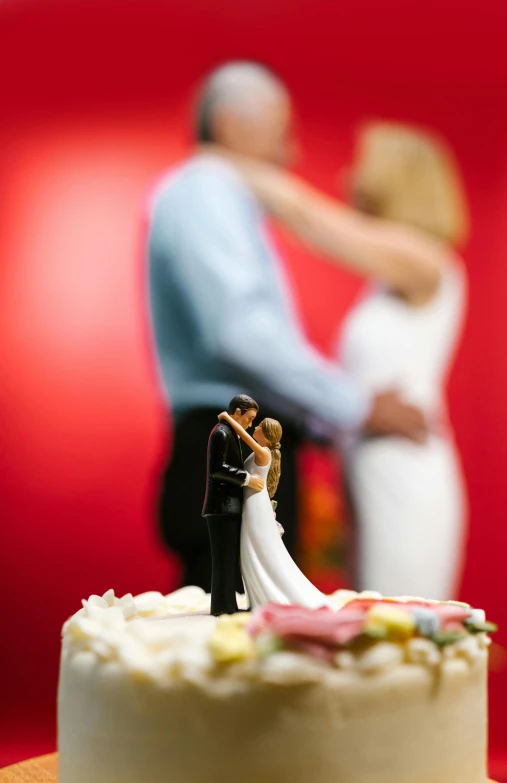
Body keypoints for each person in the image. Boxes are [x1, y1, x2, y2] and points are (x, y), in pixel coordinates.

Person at [146, 62, 427, 592]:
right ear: (231, 126)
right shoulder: (206, 189)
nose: (290, 153)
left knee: (242, 638)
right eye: (281, 134)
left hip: (242, 447)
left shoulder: (209, 198)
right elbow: (240, 330)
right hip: (238, 451)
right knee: (237, 647)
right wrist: (357, 406)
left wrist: (317, 421)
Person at [224, 121, 470, 599]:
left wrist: (232, 166)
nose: (349, 180)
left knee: (396, 627)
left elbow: (313, 221)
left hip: (405, 476)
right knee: (368, 622)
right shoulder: (385, 286)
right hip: (365, 471)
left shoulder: (427, 262)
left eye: (362, 168)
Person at [217, 408, 333, 609]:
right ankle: (259, 598)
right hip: (251, 502)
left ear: (268, 435)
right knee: (251, 548)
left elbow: (244, 436)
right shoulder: (260, 452)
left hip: (255, 504)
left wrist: (228, 420)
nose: (255, 427)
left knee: (256, 546)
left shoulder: (263, 452)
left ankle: (268, 598)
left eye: (259, 426)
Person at [202, 394, 264, 616]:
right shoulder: (221, 433)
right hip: (222, 507)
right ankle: (223, 607)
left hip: (230, 506)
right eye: (249, 417)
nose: (251, 423)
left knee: (229, 560)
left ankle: (227, 604)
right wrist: (247, 478)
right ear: (237, 413)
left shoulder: (231, 432)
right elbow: (218, 468)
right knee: (224, 561)